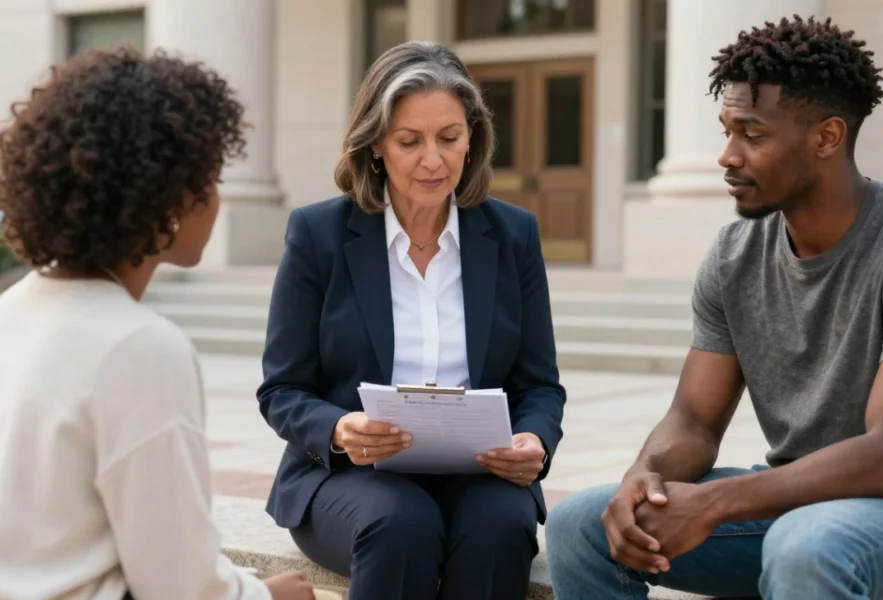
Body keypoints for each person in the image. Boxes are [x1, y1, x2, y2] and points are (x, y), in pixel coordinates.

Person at [545, 15, 883, 600]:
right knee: (582, 524)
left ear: (827, 138)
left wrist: (713, 501)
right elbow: (693, 421)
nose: (727, 156)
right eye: (726, 132)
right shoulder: (735, 254)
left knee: (808, 546)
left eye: (752, 135)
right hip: (791, 502)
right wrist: (644, 479)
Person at [0, 48, 314, 600]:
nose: (217, 200)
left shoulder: (12, 312)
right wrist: (269, 596)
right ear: (169, 198)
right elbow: (180, 587)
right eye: (211, 179)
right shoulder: (138, 348)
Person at [256, 40, 566, 600]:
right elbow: (282, 389)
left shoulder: (512, 234)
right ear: (375, 144)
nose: (433, 159)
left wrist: (534, 440)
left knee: (502, 526)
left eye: (449, 138)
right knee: (401, 525)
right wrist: (339, 429)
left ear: (472, 137)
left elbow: (539, 384)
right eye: (409, 141)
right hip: (350, 477)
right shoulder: (318, 235)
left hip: (479, 471)